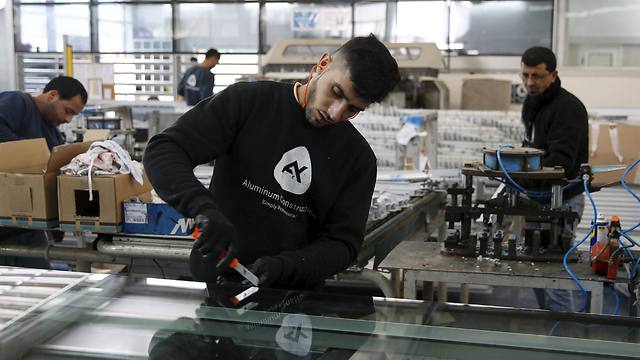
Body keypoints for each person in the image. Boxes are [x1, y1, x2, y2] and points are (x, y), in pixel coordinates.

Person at [144, 34, 400, 289]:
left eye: (353, 109)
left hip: (295, 302)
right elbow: (165, 149)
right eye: (335, 92)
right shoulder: (249, 102)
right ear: (323, 65)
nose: (336, 112)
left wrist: (287, 266)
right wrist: (202, 208)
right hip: (217, 280)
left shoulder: (357, 159)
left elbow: (343, 244)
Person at [519, 46, 588, 312]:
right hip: (539, 200)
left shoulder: (567, 108)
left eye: (536, 76)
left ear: (553, 74)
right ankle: (550, 334)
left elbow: (561, 163)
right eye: (525, 75)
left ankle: (564, 342)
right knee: (537, 275)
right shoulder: (533, 103)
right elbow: (532, 149)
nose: (529, 82)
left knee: (554, 280)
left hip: (563, 203)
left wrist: (521, 176)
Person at [0, 76, 88, 268]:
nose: (67, 119)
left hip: (25, 224)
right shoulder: (19, 102)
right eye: (68, 111)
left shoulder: (53, 133)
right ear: (52, 96)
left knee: (33, 279)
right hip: (5, 214)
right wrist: (30, 154)